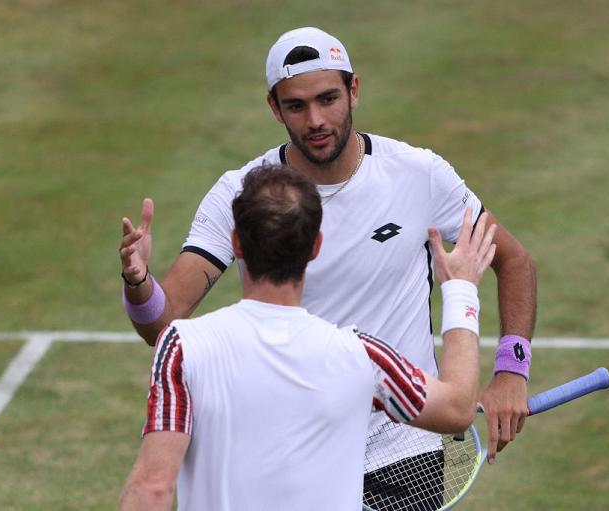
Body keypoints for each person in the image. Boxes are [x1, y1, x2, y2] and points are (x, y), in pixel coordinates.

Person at [119, 26, 536, 498]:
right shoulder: (243, 194)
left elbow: (513, 259)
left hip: (403, 451)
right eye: (296, 106)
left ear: (353, 91)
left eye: (328, 98)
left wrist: (511, 370)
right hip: (298, 454)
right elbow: (166, 317)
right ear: (274, 108)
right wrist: (137, 283)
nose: (316, 119)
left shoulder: (420, 175)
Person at [118, 164, 496, 511]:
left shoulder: (182, 347)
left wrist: (138, 281)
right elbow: (457, 409)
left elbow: (152, 488)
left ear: (236, 244)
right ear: (315, 246)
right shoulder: (361, 357)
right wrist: (461, 290)